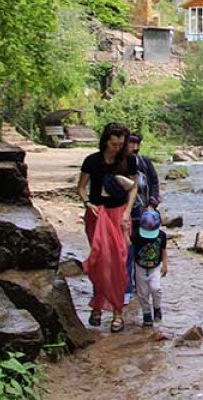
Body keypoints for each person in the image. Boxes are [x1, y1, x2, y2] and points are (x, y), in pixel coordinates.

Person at [76, 122, 138, 333]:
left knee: (119, 262)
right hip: (97, 214)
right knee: (100, 260)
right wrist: (87, 203)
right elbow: (81, 187)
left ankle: (118, 312)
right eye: (113, 144)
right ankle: (97, 306)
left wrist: (128, 212)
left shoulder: (128, 160)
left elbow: (133, 188)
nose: (117, 148)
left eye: (121, 144)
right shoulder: (92, 160)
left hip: (119, 214)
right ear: (105, 141)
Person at [124, 132, 161, 301]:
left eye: (136, 144)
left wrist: (152, 202)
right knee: (128, 249)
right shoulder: (120, 163)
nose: (134, 147)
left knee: (145, 248)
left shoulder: (145, 162)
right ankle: (128, 287)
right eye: (131, 143)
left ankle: (143, 283)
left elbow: (154, 181)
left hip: (145, 211)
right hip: (126, 212)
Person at [131, 208, 168, 327]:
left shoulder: (161, 236)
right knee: (142, 293)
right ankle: (146, 313)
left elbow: (163, 250)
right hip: (140, 267)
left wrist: (165, 265)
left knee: (156, 288)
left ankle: (157, 308)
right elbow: (129, 245)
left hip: (155, 267)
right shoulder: (137, 234)